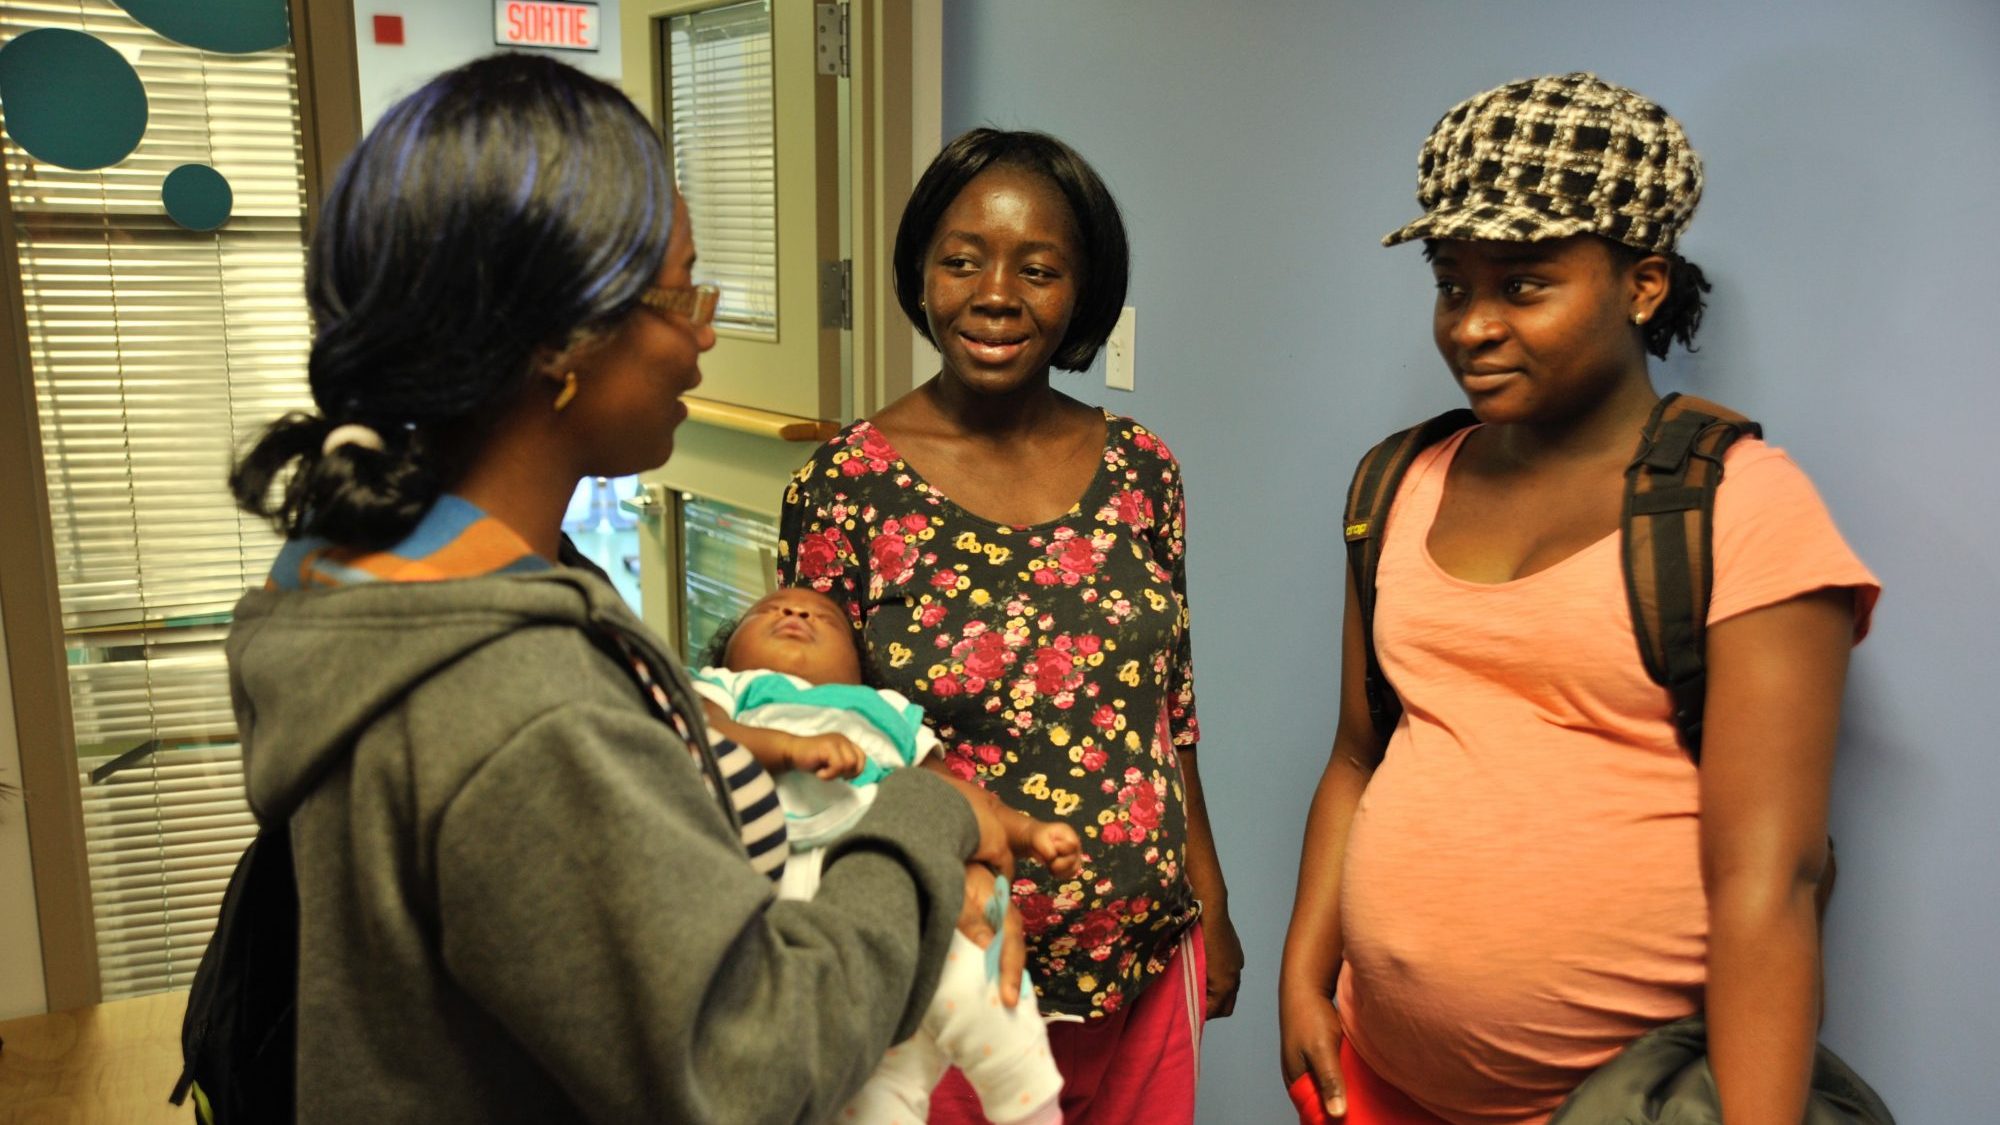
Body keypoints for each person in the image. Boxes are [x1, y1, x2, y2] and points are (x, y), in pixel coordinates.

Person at [225, 54, 1030, 1123]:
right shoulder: (512, 702)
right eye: (680, 293)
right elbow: (747, 1066)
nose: (703, 336)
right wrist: (924, 824)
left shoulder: (399, 563)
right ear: (559, 342)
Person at [1277, 73, 1881, 1125]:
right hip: (1377, 1080)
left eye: (1521, 286)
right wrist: (1303, 969)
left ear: (1641, 285)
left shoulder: (1740, 509)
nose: (1469, 325)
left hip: (1621, 1105)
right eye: (1450, 282)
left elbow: (1768, 883)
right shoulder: (1396, 482)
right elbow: (1355, 755)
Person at [778, 128, 1243, 1124]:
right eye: (960, 260)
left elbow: (1171, 710)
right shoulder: (845, 487)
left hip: (1145, 967)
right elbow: (822, 745)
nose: (996, 294)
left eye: (1037, 269)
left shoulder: (1140, 468)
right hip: (947, 990)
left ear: (1080, 292)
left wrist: (1209, 897)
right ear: (920, 272)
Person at [694, 586, 1083, 1124]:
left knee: (980, 980)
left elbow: (957, 795)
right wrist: (785, 748)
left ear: (857, 668)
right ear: (727, 652)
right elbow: (702, 734)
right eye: (768, 610)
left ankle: (1033, 1110)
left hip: (893, 890)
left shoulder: (889, 714)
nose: (795, 612)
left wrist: (1029, 830)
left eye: (824, 618)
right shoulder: (726, 690)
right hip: (768, 899)